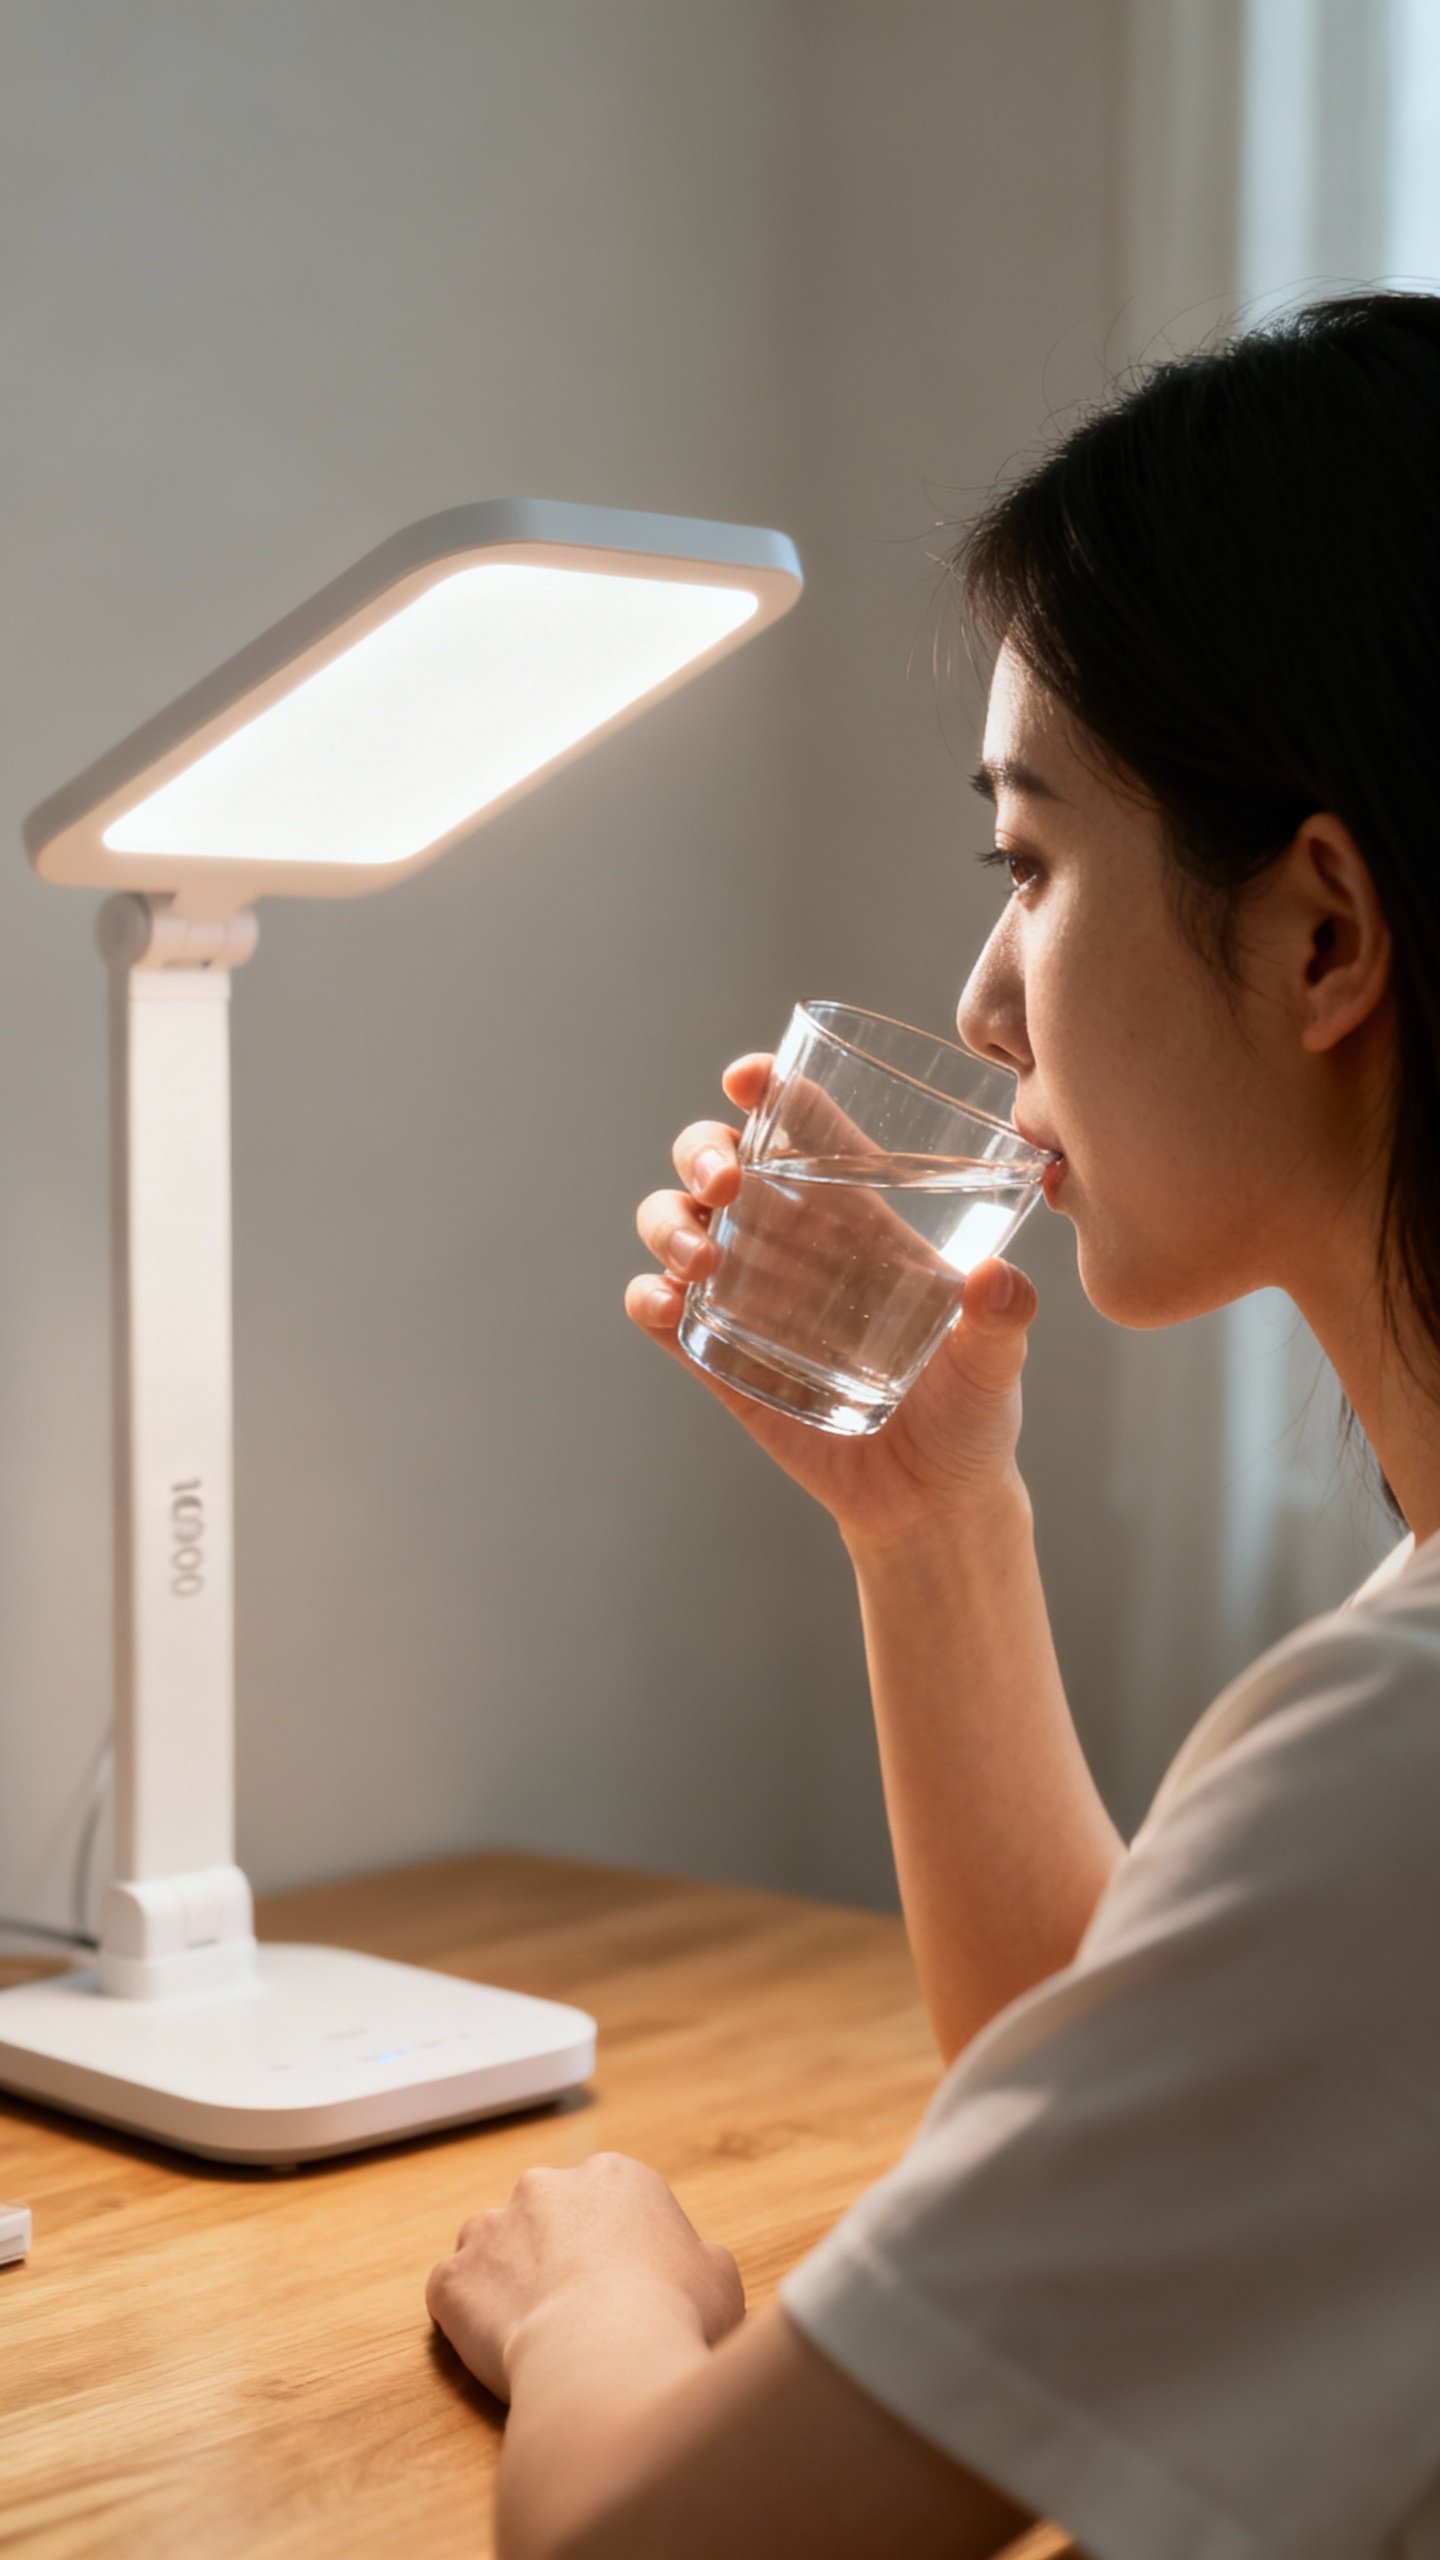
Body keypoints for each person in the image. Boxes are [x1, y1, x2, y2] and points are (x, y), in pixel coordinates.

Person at [425, 291, 1440, 2558]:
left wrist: (600, 2295)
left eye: (1031, 862)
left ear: (1322, 931)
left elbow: (646, 2545)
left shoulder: (1403, 1759)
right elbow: (1154, 2139)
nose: (987, 995)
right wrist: (927, 1514)